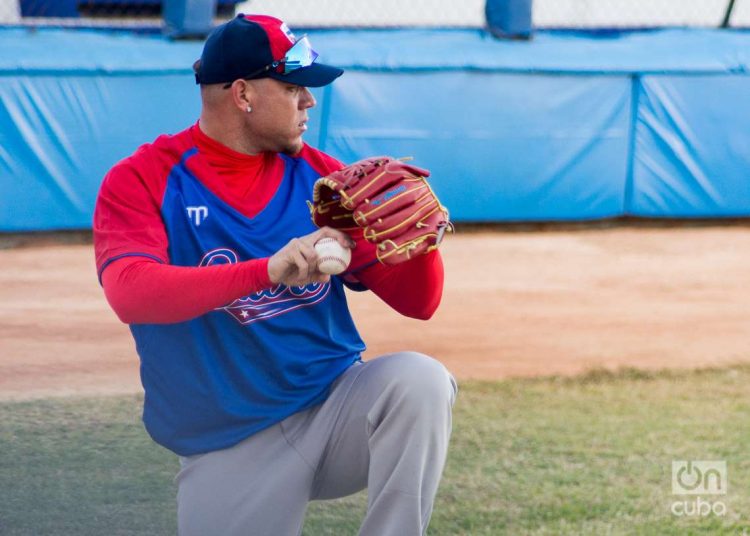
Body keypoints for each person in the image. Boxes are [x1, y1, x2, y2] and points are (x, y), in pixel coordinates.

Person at [93, 13, 457, 536]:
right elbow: (132, 294)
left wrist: (419, 246)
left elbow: (421, 304)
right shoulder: (144, 179)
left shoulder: (323, 179)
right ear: (243, 95)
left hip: (336, 412)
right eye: (293, 88)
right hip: (229, 441)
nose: (309, 101)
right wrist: (267, 270)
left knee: (418, 381)